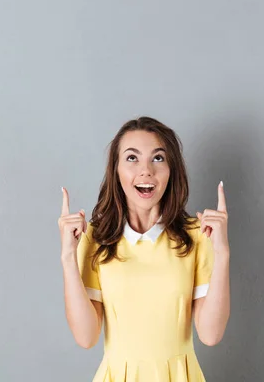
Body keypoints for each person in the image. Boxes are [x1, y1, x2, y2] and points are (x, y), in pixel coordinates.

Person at [59, 116, 231, 381]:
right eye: (132, 158)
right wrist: (68, 257)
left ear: (172, 169)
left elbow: (210, 334)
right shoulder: (95, 238)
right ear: (115, 170)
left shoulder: (196, 236)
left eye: (158, 158)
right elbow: (86, 337)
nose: (146, 170)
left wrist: (222, 254)